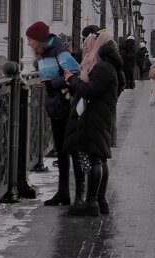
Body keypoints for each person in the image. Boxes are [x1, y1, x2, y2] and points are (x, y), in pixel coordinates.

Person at [63, 30, 122, 216]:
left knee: (95, 158)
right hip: (100, 114)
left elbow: (92, 90)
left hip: (95, 115)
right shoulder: (107, 65)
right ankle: (99, 200)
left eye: (89, 46)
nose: (86, 49)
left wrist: (72, 80)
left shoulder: (103, 67)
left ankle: (91, 203)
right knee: (99, 157)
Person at [25, 21, 79, 207]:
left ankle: (78, 194)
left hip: (64, 105)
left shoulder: (58, 50)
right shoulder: (43, 53)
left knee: (71, 149)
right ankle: (63, 193)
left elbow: (73, 72)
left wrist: (51, 84)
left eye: (31, 40)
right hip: (55, 105)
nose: (28, 44)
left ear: (40, 40)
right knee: (62, 150)